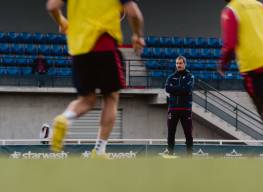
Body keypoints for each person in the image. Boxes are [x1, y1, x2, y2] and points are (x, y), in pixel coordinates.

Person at [46, 0, 145, 157]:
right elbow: (134, 14)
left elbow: (52, 6)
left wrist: (62, 21)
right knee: (111, 98)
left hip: (79, 51)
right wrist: (137, 35)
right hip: (105, 46)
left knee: (86, 100)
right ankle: (99, 150)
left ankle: (65, 118)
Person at [218, 0, 263, 140]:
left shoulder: (231, 10)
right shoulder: (259, 5)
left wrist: (223, 64)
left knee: (261, 108)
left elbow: (229, 43)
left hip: (254, 65)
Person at [160, 56, 194, 158]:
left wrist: (174, 89)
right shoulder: (170, 77)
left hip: (186, 109)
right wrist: (180, 89)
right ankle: (170, 154)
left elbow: (187, 89)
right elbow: (167, 89)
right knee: (171, 132)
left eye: (180, 63)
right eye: (177, 63)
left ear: (185, 64)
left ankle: (189, 155)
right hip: (173, 109)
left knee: (188, 133)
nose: (178, 65)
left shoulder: (190, 76)